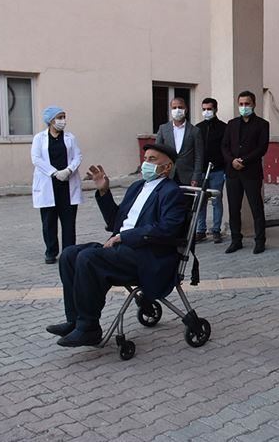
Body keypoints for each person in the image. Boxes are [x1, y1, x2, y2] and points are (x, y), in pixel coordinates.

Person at [46, 144, 186, 347]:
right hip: (123, 248)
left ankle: (89, 328)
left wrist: (123, 237)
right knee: (69, 254)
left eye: (152, 159)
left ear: (167, 167)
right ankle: (74, 321)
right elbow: (115, 222)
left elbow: (166, 229)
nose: (146, 163)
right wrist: (104, 191)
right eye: (145, 158)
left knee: (88, 259)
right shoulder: (137, 187)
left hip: (147, 255)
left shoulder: (171, 192)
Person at [31, 106, 84, 264]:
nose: (63, 121)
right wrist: (54, 172)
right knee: (49, 221)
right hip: (49, 184)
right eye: (59, 117)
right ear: (50, 120)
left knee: (69, 222)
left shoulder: (70, 138)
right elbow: (36, 158)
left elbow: (77, 156)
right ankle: (51, 251)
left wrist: (68, 170)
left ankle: (68, 252)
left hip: (67, 184)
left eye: (64, 117)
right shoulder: (39, 138)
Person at [221, 90, 269, 254]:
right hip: (232, 172)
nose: (244, 107)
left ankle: (260, 241)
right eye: (241, 104)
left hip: (251, 172)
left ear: (254, 104)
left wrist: (244, 161)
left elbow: (262, 148)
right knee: (234, 209)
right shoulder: (232, 124)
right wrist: (232, 160)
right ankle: (236, 240)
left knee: (256, 208)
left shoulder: (262, 124)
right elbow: (224, 146)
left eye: (247, 104)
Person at [194, 97, 227, 244]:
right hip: (200, 171)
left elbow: (225, 149)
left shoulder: (223, 128)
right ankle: (200, 230)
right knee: (200, 201)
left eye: (209, 109)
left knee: (216, 201)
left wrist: (224, 167)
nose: (206, 112)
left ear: (215, 109)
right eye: (204, 109)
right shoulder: (198, 128)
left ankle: (216, 230)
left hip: (217, 170)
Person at [155, 97, 204, 186]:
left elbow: (199, 156)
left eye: (180, 107)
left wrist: (196, 176)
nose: (177, 110)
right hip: (167, 174)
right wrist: (158, 173)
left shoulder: (195, 131)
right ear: (170, 110)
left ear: (186, 109)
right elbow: (157, 152)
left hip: (187, 177)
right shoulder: (163, 129)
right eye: (174, 108)